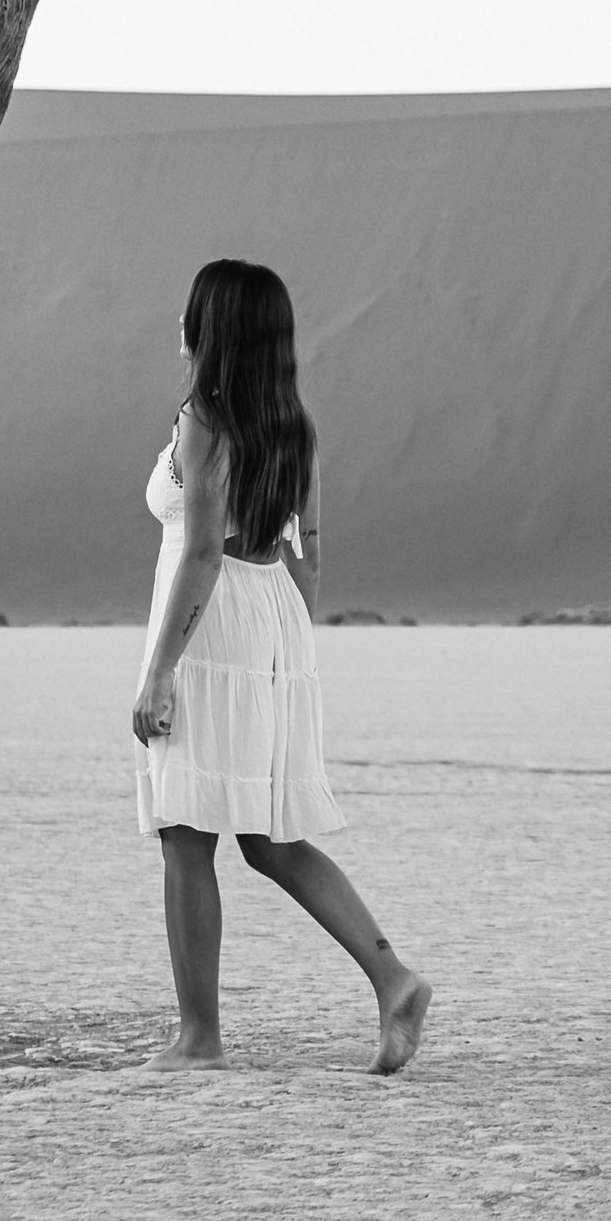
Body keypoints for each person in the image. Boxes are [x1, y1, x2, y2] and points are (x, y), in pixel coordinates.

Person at [131, 258, 433, 1074]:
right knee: (267, 838)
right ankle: (393, 976)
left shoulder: (205, 418)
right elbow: (311, 553)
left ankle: (199, 1039)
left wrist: (160, 670)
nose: (178, 324)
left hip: (211, 628)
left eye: (189, 310)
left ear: (210, 327)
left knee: (185, 834)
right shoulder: (290, 422)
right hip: (269, 618)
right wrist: (285, 642)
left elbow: (198, 551)